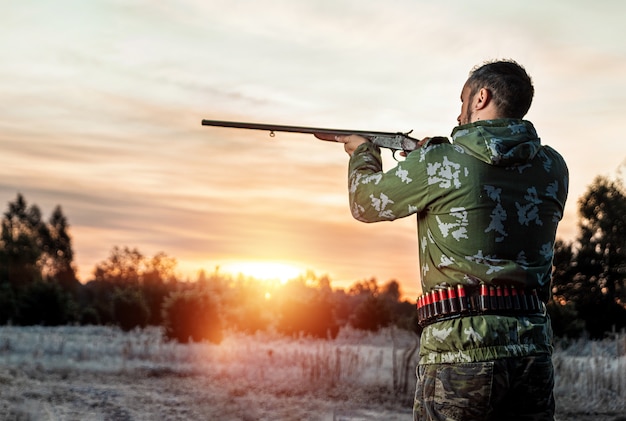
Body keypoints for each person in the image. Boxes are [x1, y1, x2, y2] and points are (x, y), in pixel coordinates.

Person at [337, 60, 568, 421]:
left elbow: (365, 203)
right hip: (531, 350)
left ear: (481, 97)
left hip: (458, 351)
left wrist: (363, 152)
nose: (459, 115)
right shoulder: (554, 166)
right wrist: (435, 153)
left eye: (463, 101)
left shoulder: (438, 162)